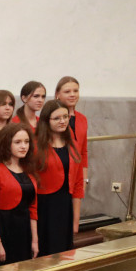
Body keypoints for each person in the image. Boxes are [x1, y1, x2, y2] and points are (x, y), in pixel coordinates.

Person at [34, 99, 83, 255]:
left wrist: (75, 220)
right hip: (44, 206)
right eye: (57, 118)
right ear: (46, 121)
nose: (63, 121)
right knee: (46, 254)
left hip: (65, 205)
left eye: (65, 117)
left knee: (64, 253)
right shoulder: (36, 145)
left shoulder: (72, 142)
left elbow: (78, 183)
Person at [0, 123, 38, 264]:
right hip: (5, 229)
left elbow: (33, 208)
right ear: (6, 144)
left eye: (26, 142)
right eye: (18, 142)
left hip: (24, 230)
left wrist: (34, 240)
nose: (23, 146)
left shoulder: (28, 168)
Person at [55, 76, 88, 182]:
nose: (72, 94)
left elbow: (83, 152)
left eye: (75, 91)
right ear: (58, 95)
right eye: (67, 91)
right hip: (58, 173)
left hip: (77, 175)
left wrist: (84, 179)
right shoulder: (52, 118)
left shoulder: (82, 119)